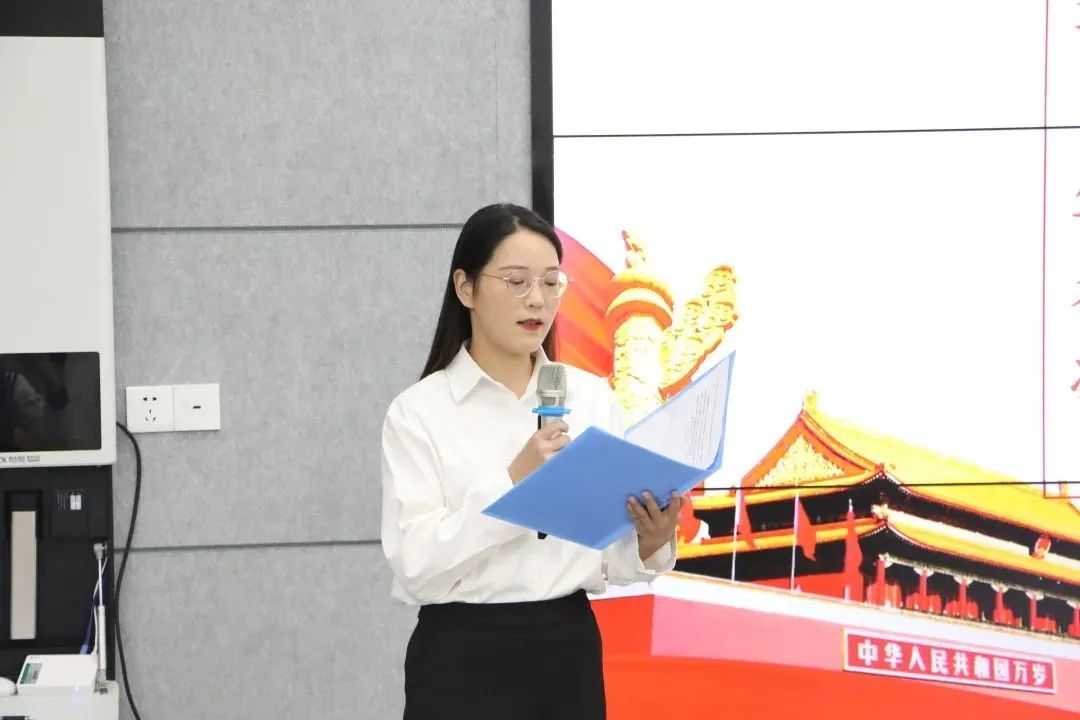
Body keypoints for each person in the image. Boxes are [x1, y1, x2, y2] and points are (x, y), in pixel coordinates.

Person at [380, 203, 684, 720]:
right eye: (517, 281)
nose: (538, 300)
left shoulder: (591, 399)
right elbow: (416, 565)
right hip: (460, 658)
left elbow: (612, 560)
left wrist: (650, 540)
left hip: (567, 653)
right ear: (465, 288)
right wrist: (514, 485)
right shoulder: (419, 412)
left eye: (550, 282)